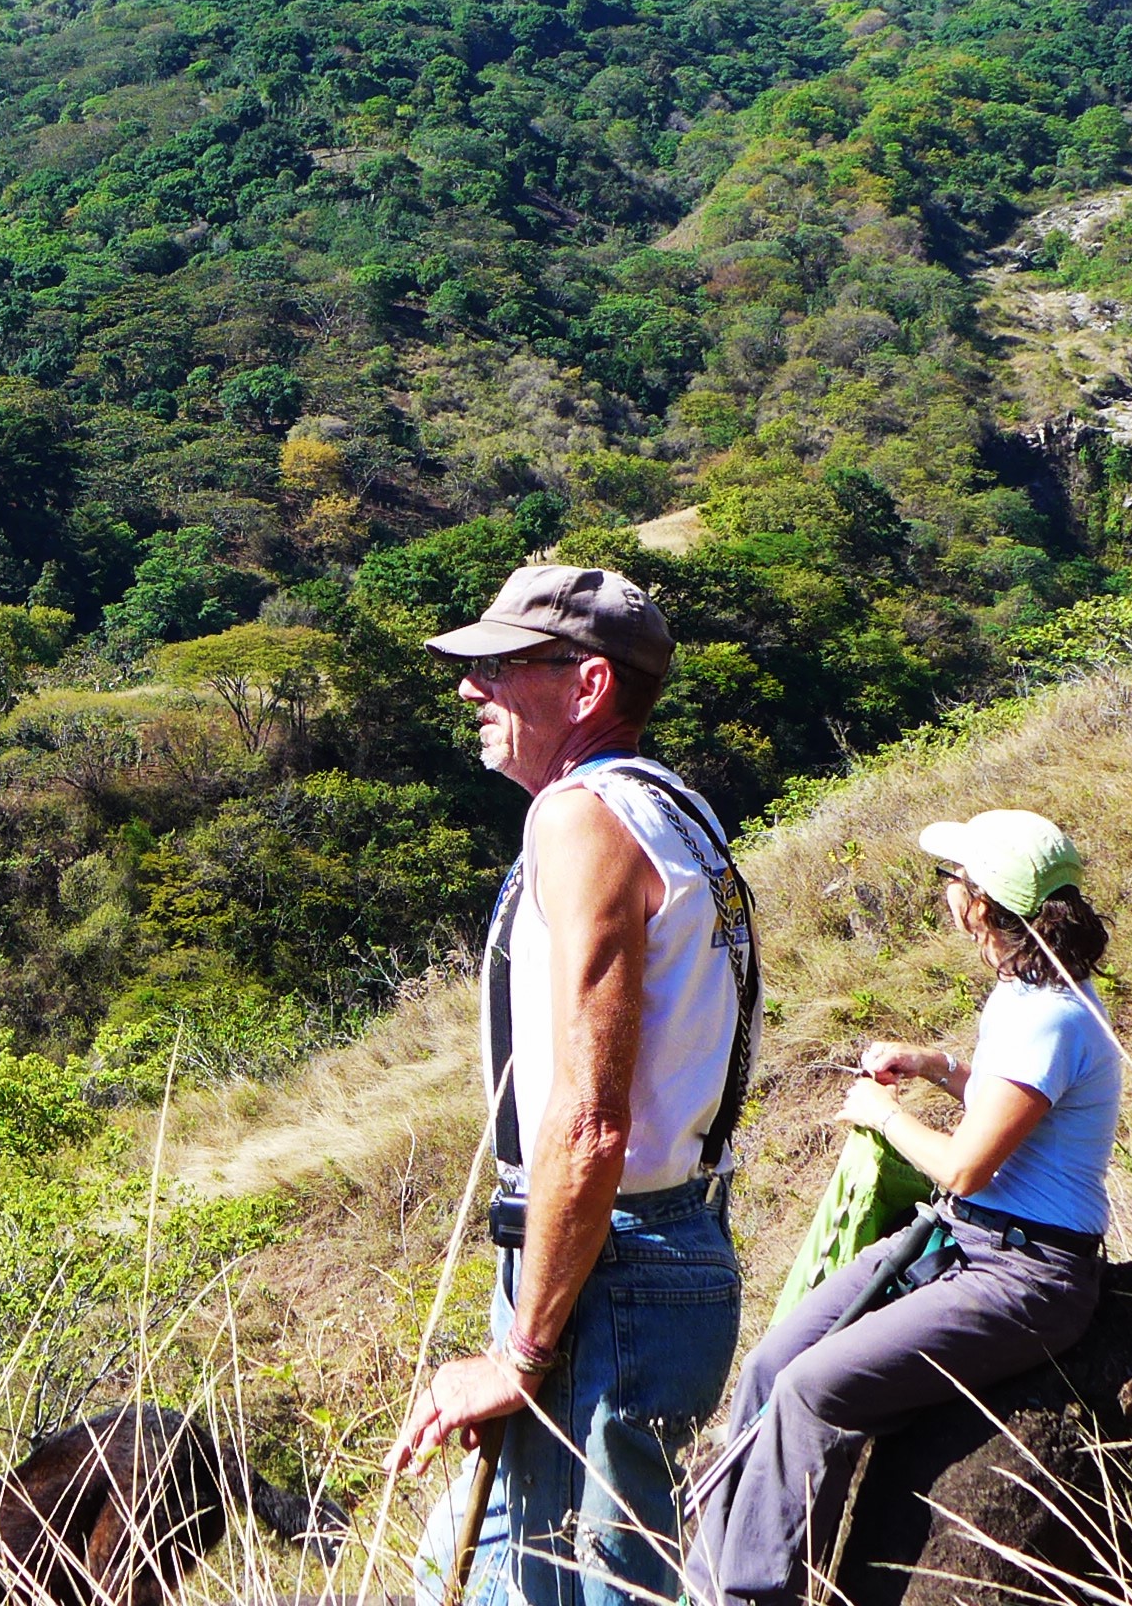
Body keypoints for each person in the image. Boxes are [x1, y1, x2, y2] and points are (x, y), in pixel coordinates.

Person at [385, 565, 757, 1606]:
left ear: (587, 685)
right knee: (491, 1566)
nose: (471, 688)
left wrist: (521, 1351)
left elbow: (591, 1120)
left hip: (609, 1264)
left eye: (502, 667)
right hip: (655, 1243)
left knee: (571, 1587)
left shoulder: (581, 817)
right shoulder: (675, 809)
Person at [680, 809, 1118, 1606]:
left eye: (953, 879)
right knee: (772, 1365)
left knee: (814, 1389)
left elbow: (966, 1167)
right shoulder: (1031, 992)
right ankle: (704, 1584)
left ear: (981, 903)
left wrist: (883, 1116)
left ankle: (750, 1595)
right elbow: (1012, 1101)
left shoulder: (1050, 1016)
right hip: (970, 1242)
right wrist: (935, 1065)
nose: (945, 890)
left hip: (1024, 1272)